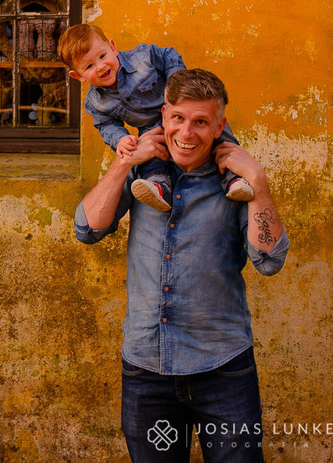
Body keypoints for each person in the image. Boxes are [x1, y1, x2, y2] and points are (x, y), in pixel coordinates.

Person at [74, 69, 289, 462]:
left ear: (219, 125)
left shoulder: (235, 183)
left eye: (201, 122)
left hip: (223, 371)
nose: (187, 133)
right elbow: (88, 229)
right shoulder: (144, 173)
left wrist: (257, 179)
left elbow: (270, 259)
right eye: (178, 119)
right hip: (146, 372)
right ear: (163, 115)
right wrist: (124, 163)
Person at [58, 24, 253, 212]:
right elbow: (106, 124)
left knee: (217, 135)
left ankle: (235, 178)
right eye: (90, 66)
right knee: (148, 154)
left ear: (112, 47)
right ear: (78, 76)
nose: (101, 66)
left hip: (180, 112)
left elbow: (169, 55)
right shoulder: (95, 102)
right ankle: (159, 187)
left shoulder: (142, 58)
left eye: (102, 56)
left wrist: (174, 85)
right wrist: (120, 139)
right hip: (150, 127)